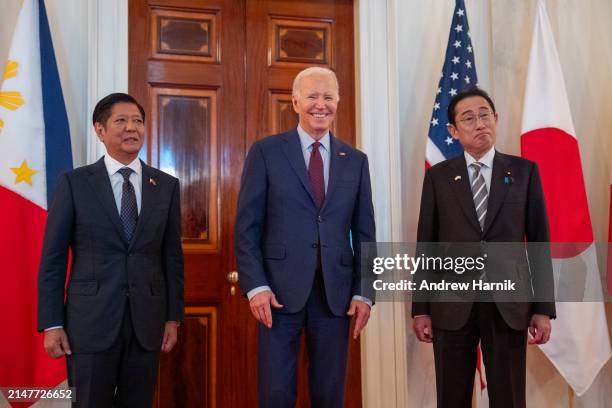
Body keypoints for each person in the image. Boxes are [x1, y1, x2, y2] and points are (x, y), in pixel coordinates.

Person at [235, 66, 376, 407]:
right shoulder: (266, 152)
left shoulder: (355, 160)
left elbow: (365, 231)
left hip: (335, 297)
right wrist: (255, 286)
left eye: (328, 96)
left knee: (329, 394)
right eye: (312, 96)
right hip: (277, 295)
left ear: (338, 102)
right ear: (295, 101)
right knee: (276, 393)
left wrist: (364, 292)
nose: (320, 104)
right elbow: (247, 227)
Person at [412, 87, 555, 408]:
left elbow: (539, 243)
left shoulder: (523, 172)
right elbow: (427, 245)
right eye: (468, 118)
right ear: (452, 130)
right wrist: (421, 307)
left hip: (508, 304)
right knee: (452, 397)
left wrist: (543, 308)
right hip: (451, 306)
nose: (479, 124)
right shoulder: (438, 177)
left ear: (496, 119)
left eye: (485, 115)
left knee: (509, 398)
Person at [37, 93, 184, 407]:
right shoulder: (75, 183)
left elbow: (172, 257)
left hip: (147, 322)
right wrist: (52, 323)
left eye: (138, 121)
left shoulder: (166, 186)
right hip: (90, 323)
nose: (132, 128)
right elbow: (53, 258)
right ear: (100, 130)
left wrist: (173, 317)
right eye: (121, 121)